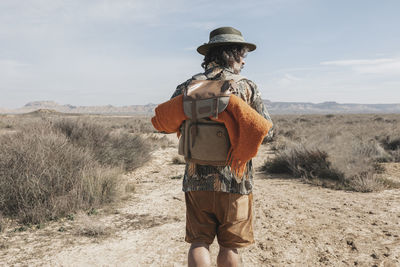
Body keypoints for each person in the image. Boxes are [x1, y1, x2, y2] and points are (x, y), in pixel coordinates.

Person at [171, 26, 273, 267]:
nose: (244, 62)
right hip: (235, 181)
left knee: (199, 242)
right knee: (230, 246)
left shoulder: (188, 86)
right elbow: (267, 131)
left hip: (196, 179)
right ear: (231, 54)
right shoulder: (246, 87)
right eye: (243, 55)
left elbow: (170, 121)